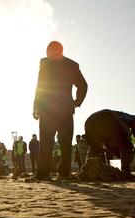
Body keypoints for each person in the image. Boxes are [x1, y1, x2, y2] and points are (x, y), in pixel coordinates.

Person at [32, 41, 88, 180]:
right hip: (65, 110)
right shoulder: (72, 64)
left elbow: (40, 87)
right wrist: (76, 102)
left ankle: (43, 174)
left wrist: (37, 106)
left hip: (48, 110)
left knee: (46, 142)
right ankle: (64, 174)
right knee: (65, 143)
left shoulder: (44, 63)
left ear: (51, 50)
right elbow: (83, 85)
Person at [84, 109, 135, 178]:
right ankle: (125, 171)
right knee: (127, 146)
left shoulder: (118, 117)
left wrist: (121, 156)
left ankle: (88, 171)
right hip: (107, 119)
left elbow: (112, 147)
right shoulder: (132, 117)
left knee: (95, 148)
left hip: (89, 122)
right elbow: (132, 121)